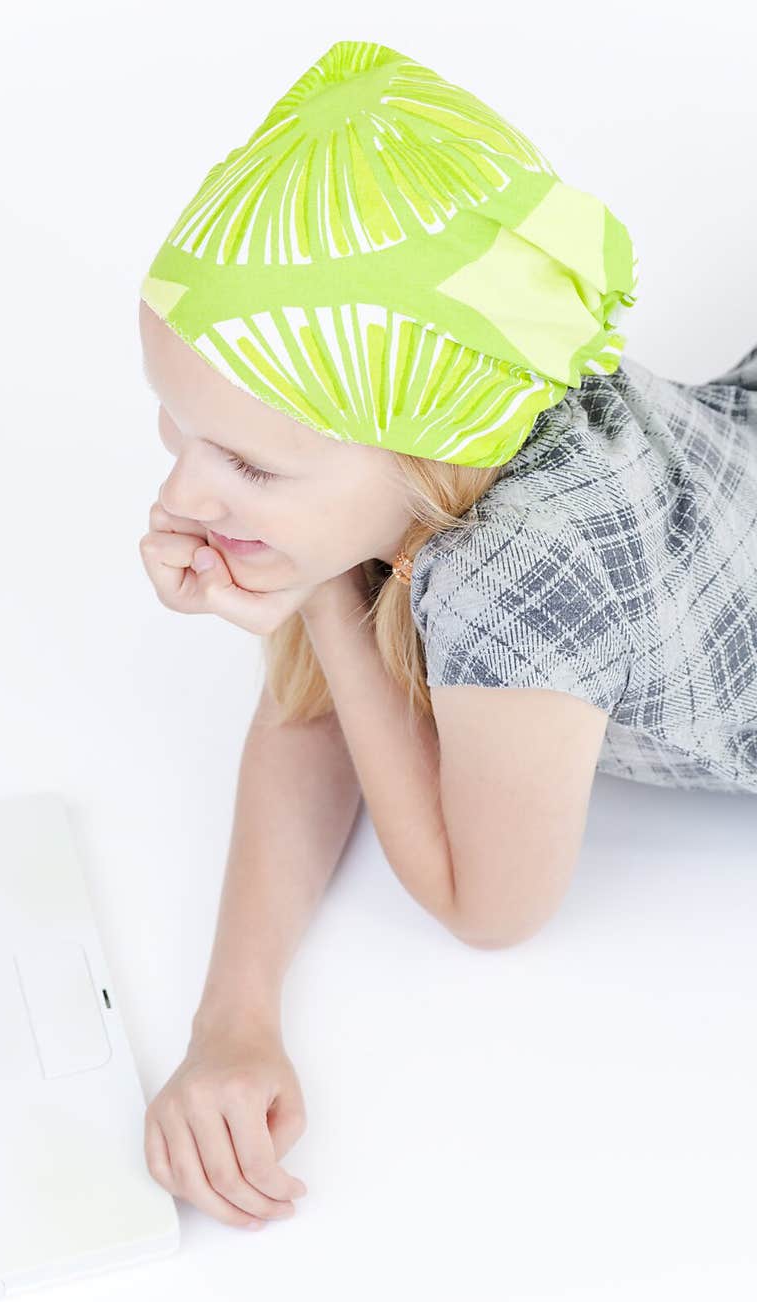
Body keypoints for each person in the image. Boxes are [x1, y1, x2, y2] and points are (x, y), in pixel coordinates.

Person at [134, 40, 757, 1233]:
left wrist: (317, 591)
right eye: (177, 432)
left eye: (246, 464)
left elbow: (490, 908)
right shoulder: (483, 389)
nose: (181, 501)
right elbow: (315, 709)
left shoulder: (513, 587)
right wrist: (234, 1018)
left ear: (424, 447)